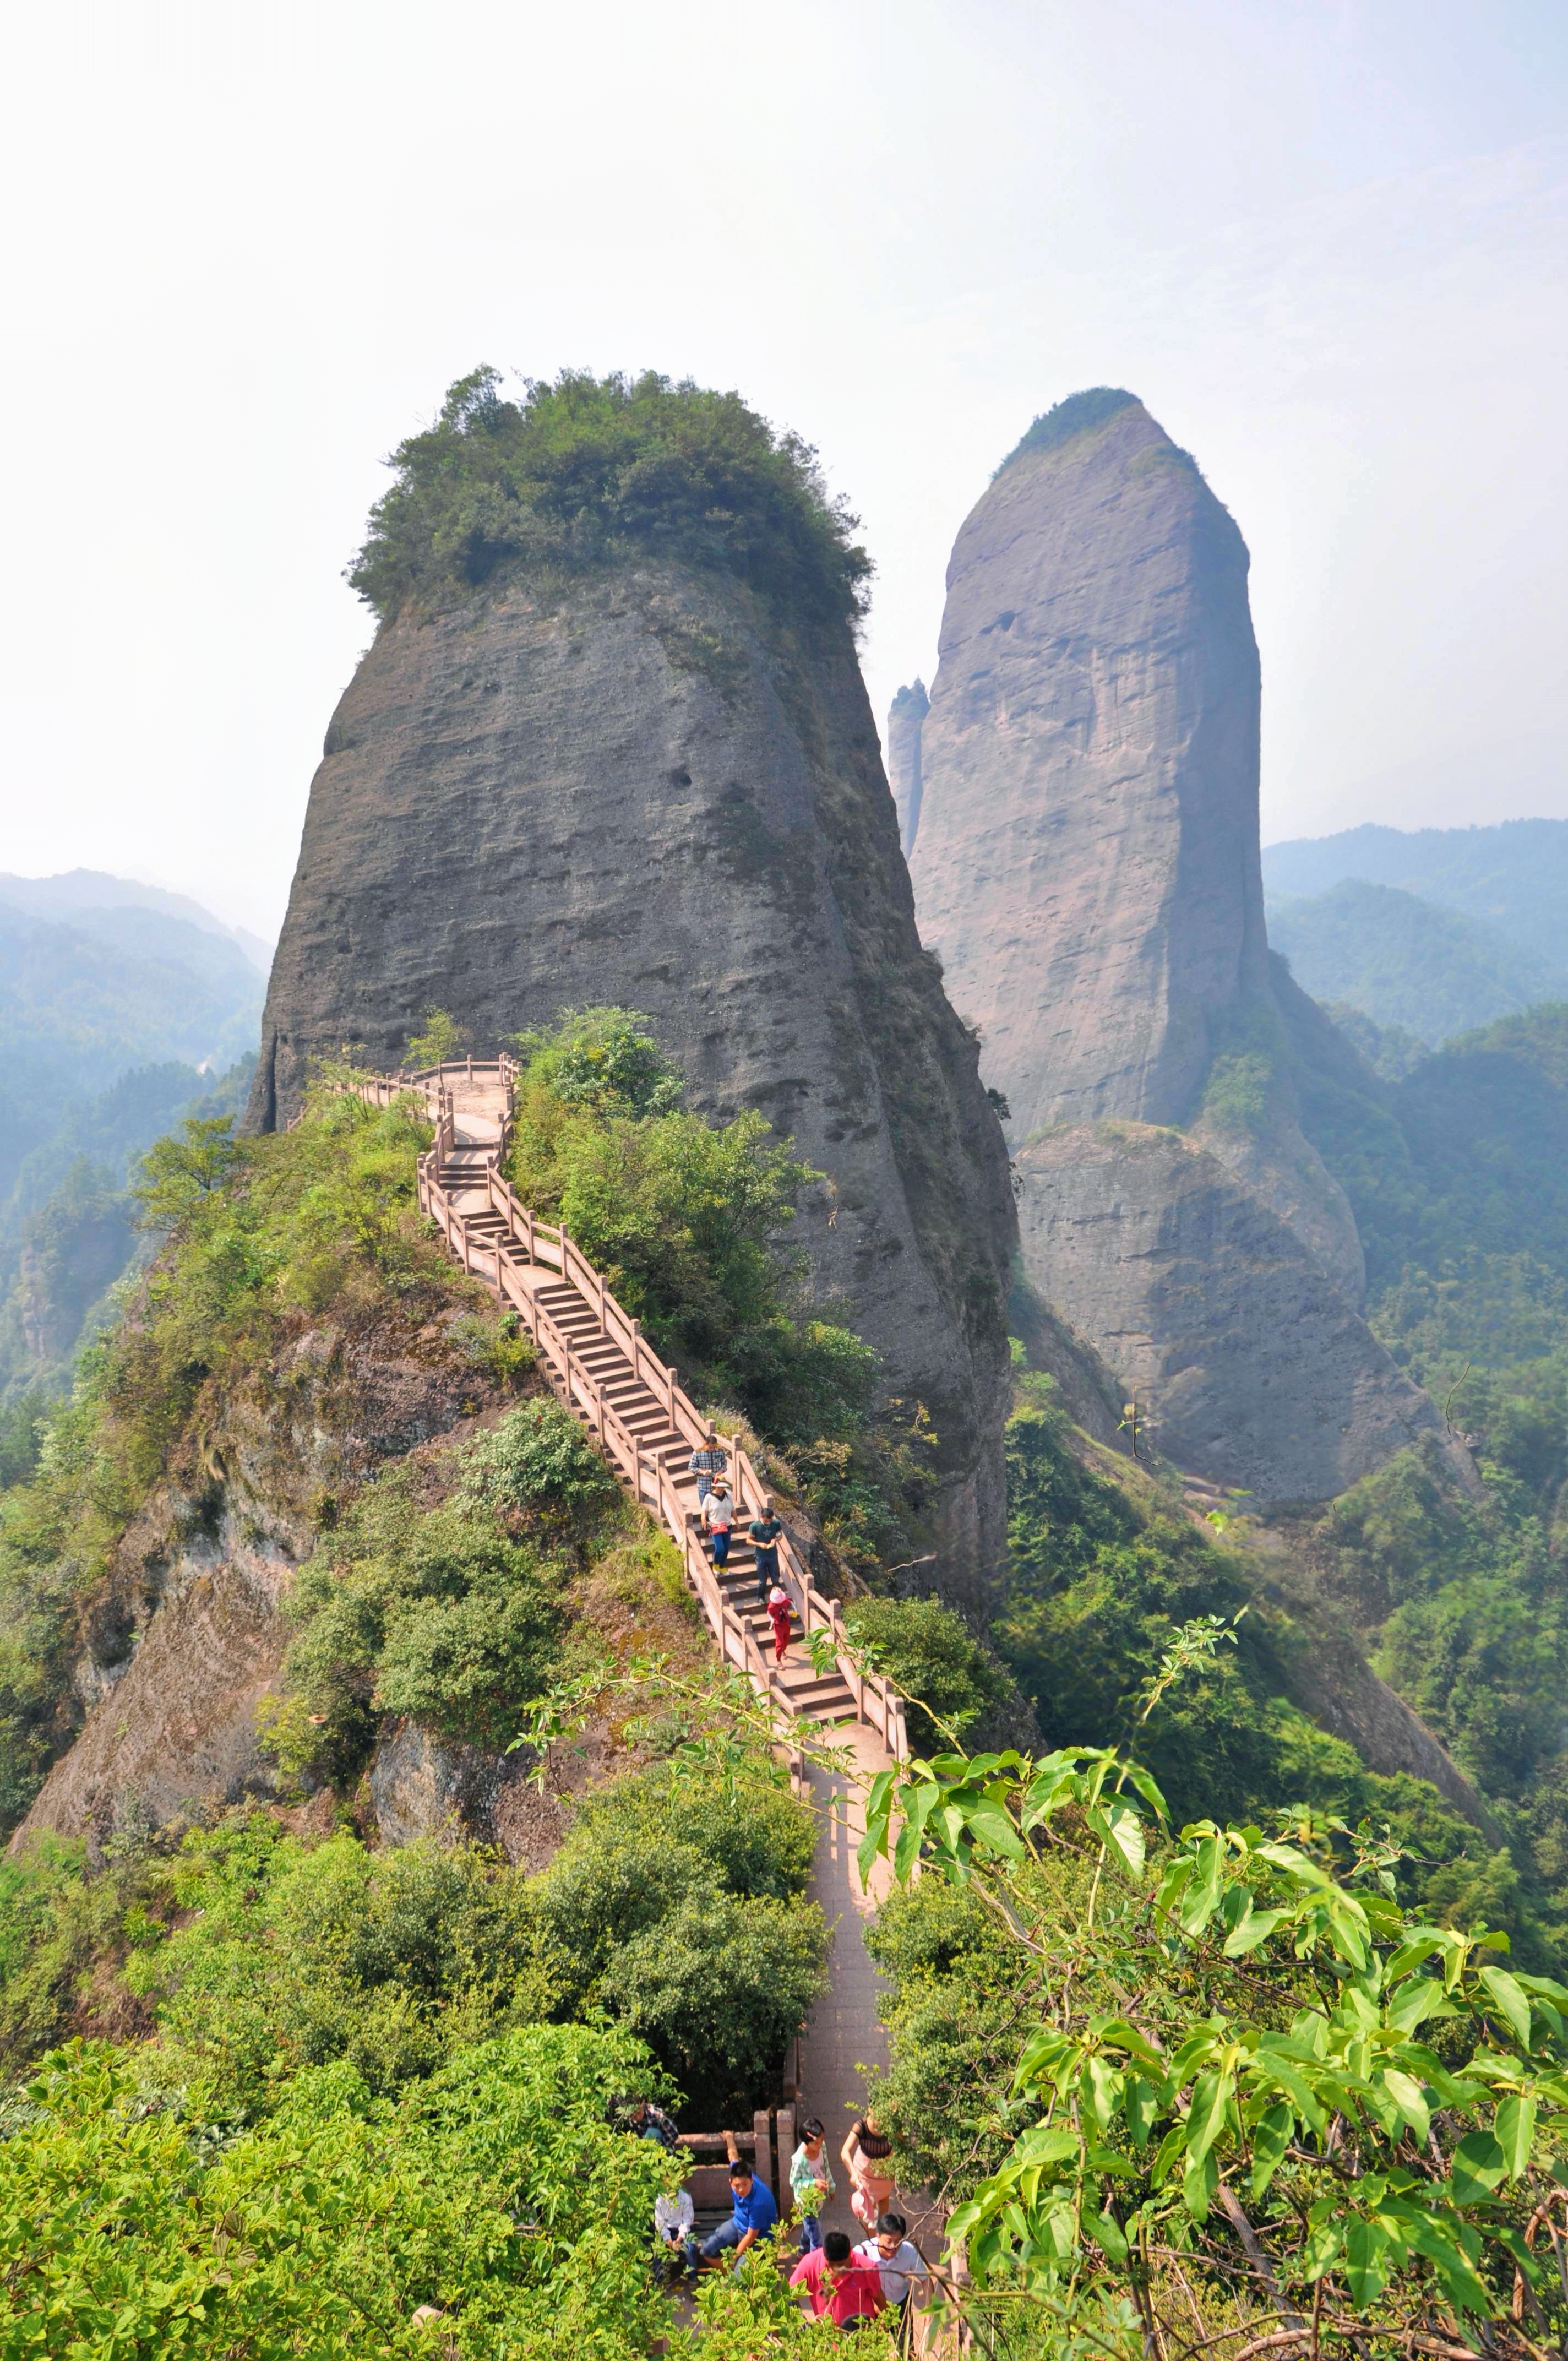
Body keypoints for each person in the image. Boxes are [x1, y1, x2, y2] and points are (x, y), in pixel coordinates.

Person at [684, 2133, 778, 2278]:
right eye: (737, 2186)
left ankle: (735, 2279)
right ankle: (729, 2276)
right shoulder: (736, 2172)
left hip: (759, 2236)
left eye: (745, 2184)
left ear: (752, 2180)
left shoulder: (760, 2201)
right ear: (730, 2182)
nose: (741, 2190)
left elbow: (751, 2236)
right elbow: (733, 2156)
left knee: (741, 2274)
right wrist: (729, 2138)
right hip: (737, 2224)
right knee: (706, 2251)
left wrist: (733, 2259)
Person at [789, 2229, 885, 2329]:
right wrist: (802, 2323)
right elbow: (789, 2295)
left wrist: (885, 2325)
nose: (834, 2270)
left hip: (860, 2334)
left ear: (850, 2253)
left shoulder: (867, 2267)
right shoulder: (810, 2263)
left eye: (840, 2265)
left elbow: (879, 2298)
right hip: (827, 2337)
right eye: (830, 2265)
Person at [853, 2212, 928, 2320]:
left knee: (904, 2336)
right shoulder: (863, 2253)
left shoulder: (909, 2252)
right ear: (878, 2235)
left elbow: (926, 2279)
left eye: (898, 2241)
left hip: (899, 2306)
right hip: (871, 2308)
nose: (893, 2246)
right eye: (889, 2241)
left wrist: (929, 2308)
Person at [842, 2113, 897, 2233]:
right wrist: (853, 2173)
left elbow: (902, 2147)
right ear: (870, 2110)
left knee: (884, 2201)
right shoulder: (861, 2126)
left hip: (885, 2174)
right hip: (864, 2174)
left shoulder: (893, 2125)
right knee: (868, 2212)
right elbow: (845, 2151)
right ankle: (871, 2242)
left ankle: (882, 2234)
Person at [789, 2115, 835, 2253]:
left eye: (822, 2141)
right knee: (817, 2239)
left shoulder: (822, 2148)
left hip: (819, 2200)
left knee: (810, 2228)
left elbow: (826, 2167)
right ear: (806, 2142)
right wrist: (813, 2183)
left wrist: (831, 2187)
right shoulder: (799, 2160)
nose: (820, 2145)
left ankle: (803, 2249)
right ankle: (817, 2266)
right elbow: (794, 2182)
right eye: (817, 2143)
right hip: (807, 2204)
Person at [652, 2182, 695, 2282]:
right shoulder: (660, 2198)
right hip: (665, 2230)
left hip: (682, 2230)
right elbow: (659, 2223)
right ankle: (659, 2281)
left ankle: (693, 2278)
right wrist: (669, 2241)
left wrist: (680, 2239)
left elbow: (688, 2220)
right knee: (657, 2251)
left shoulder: (685, 2196)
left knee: (690, 2248)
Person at [749, 1497, 785, 1609]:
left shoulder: (776, 1524)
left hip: (773, 1554)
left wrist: (776, 1540)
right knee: (762, 1580)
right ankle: (761, 1596)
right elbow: (748, 1540)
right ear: (761, 1517)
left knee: (775, 1578)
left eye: (770, 1520)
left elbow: (780, 1535)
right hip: (761, 1556)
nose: (768, 1523)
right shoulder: (755, 1526)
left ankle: (777, 1597)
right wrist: (759, 1544)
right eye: (766, 1521)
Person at [688, 1426, 728, 1503]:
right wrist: (702, 1472)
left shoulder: (720, 1451)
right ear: (705, 1444)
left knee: (717, 1509)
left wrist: (720, 1472)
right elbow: (691, 1467)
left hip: (717, 1486)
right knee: (705, 1510)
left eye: (714, 1447)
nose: (712, 1449)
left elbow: (724, 1464)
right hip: (704, 1486)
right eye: (710, 1447)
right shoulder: (698, 1453)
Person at [703, 1481, 735, 1566]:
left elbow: (733, 1509)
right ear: (715, 1487)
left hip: (727, 1525)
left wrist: (737, 1520)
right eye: (719, 1487)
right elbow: (704, 1510)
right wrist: (703, 1520)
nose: (721, 1489)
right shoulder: (709, 1497)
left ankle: (722, 1566)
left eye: (723, 1487)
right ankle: (716, 1564)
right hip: (715, 1526)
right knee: (720, 1548)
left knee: (726, 1548)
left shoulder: (728, 1495)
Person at [767, 1584, 793, 1664]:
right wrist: (772, 1620)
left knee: (787, 1639)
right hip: (778, 1626)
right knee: (779, 1642)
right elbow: (769, 1613)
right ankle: (778, 1660)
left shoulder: (784, 1601)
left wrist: (795, 1609)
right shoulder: (772, 1606)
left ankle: (783, 1650)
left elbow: (790, 1603)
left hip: (786, 1623)